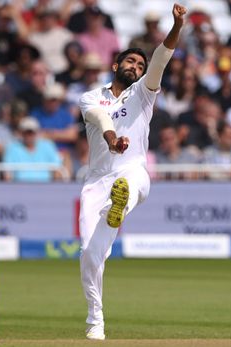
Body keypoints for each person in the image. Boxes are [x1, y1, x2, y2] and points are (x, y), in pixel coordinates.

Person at [77, 4, 187, 340]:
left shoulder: (144, 93)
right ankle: (96, 320)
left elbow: (160, 58)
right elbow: (101, 120)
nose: (137, 67)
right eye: (131, 62)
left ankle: (119, 204)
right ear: (116, 65)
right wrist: (112, 140)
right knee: (90, 256)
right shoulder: (89, 97)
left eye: (140, 65)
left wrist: (177, 26)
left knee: (126, 183)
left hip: (133, 171)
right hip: (97, 180)